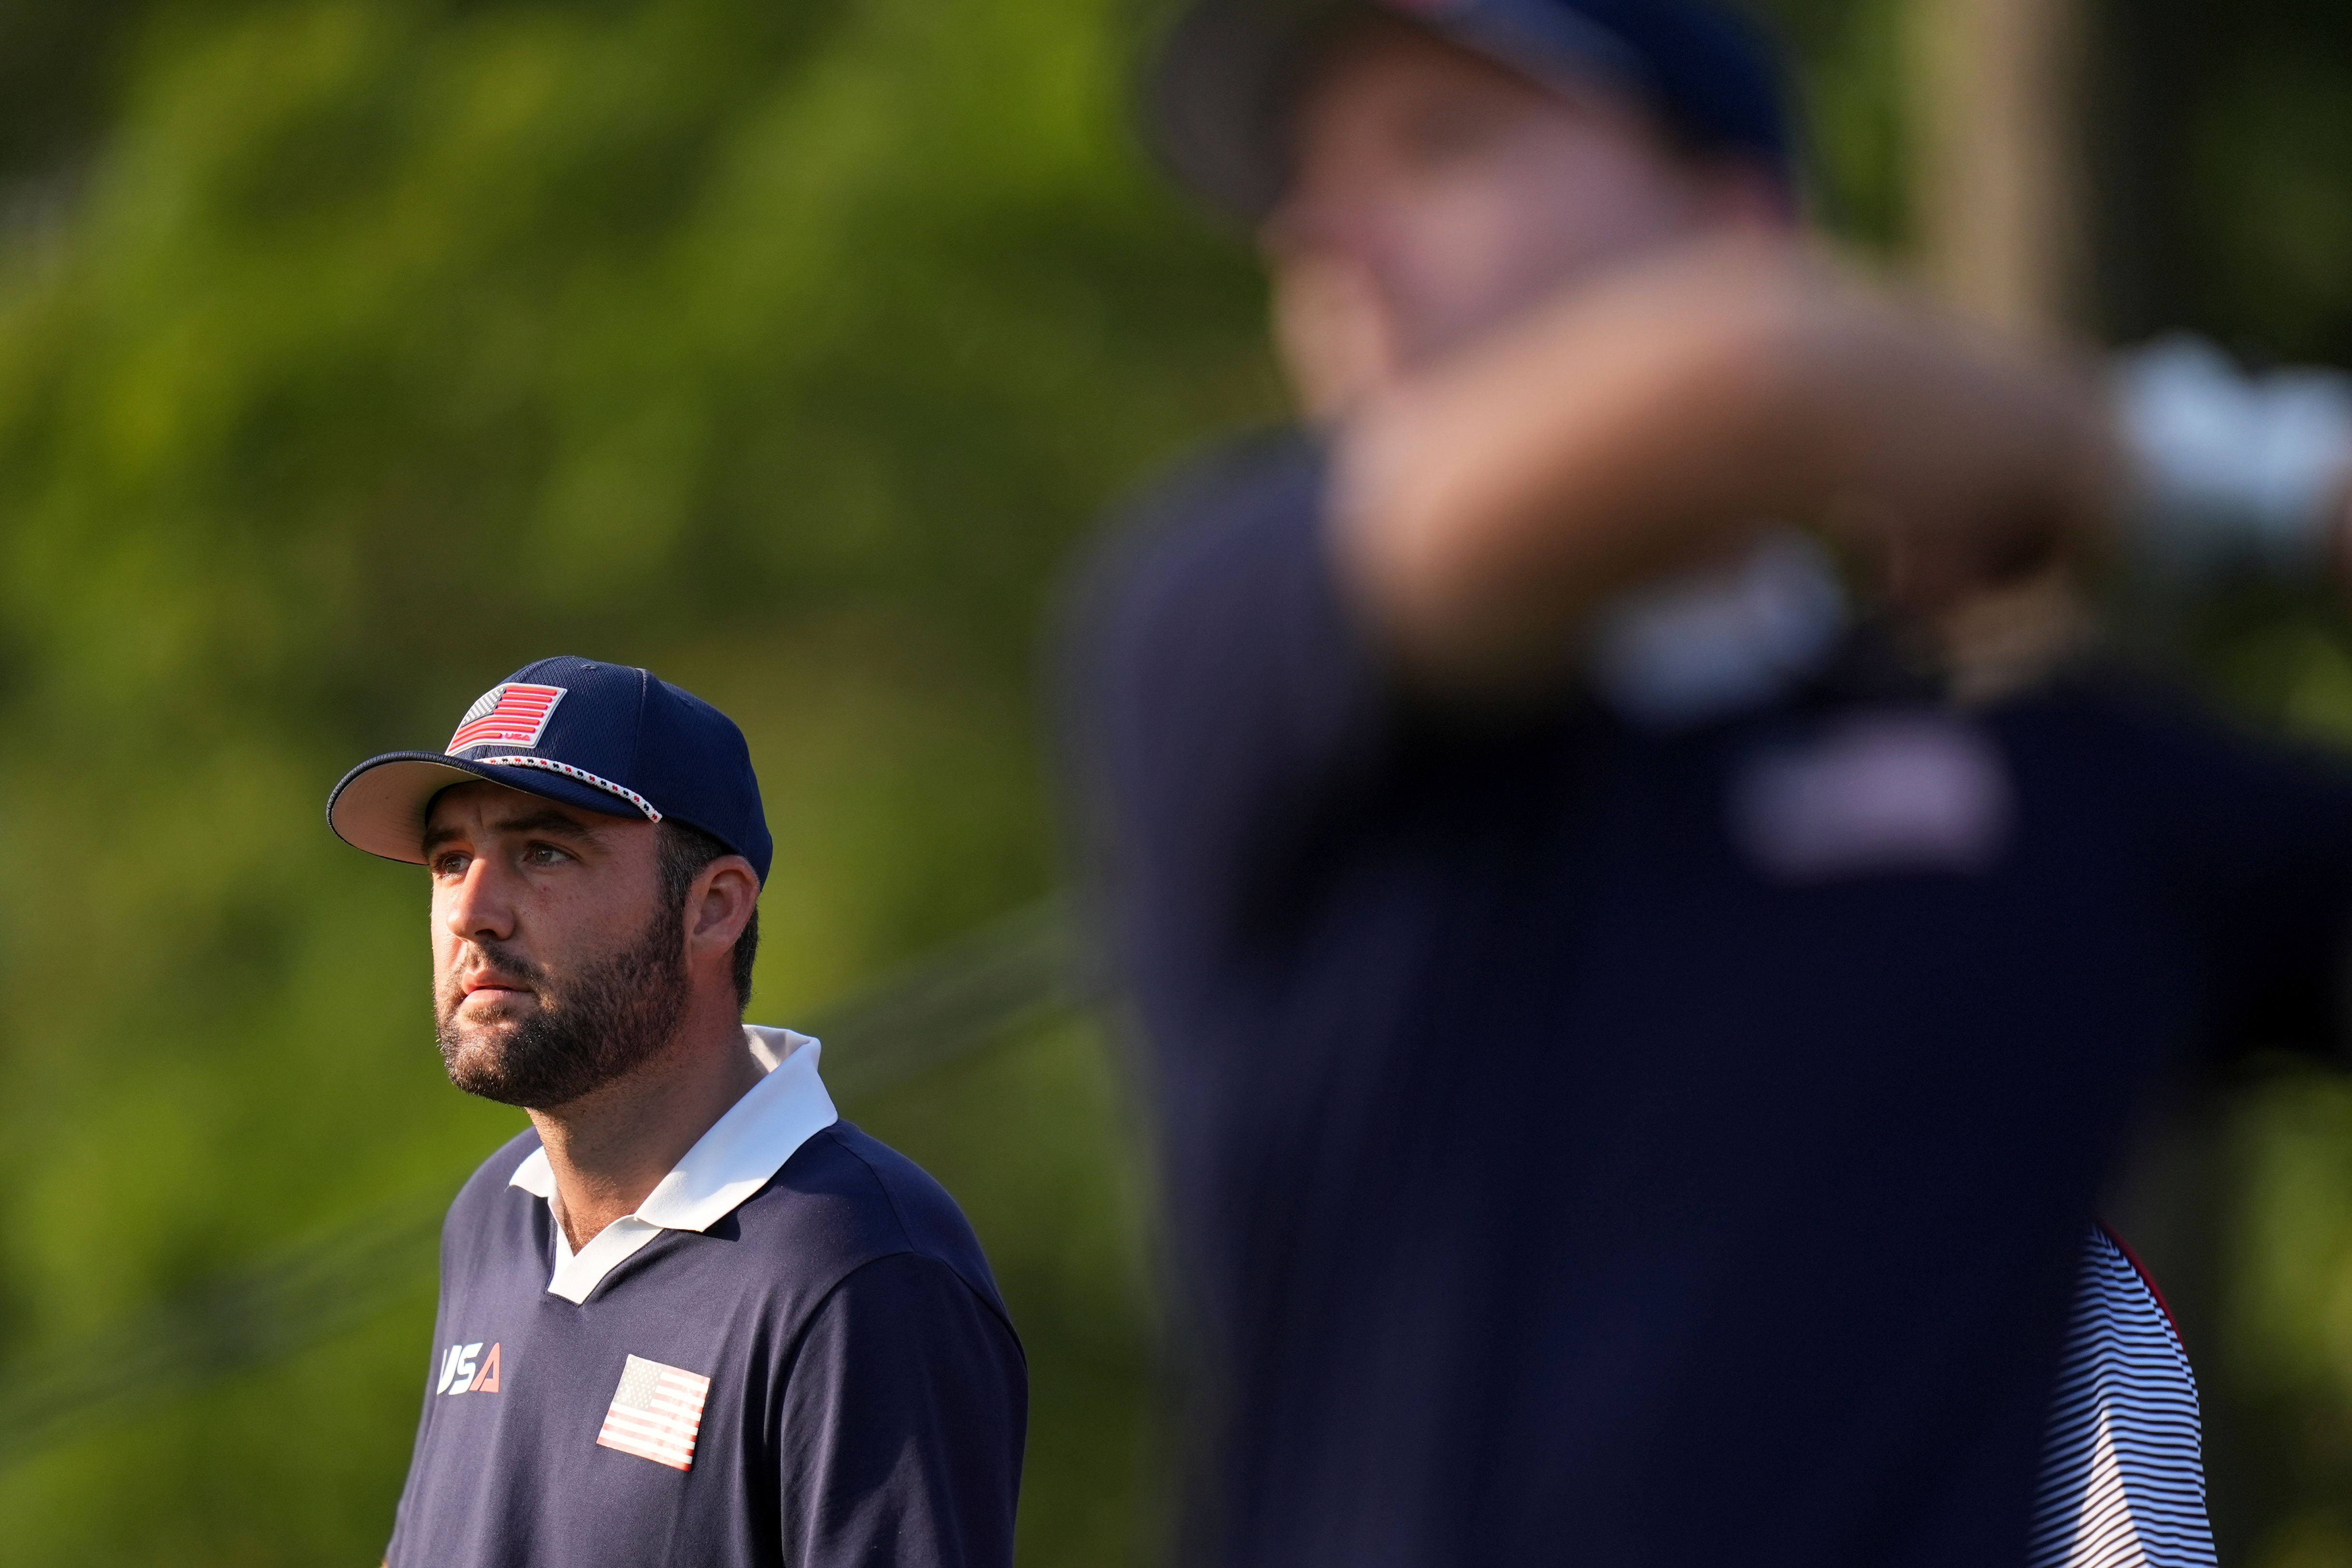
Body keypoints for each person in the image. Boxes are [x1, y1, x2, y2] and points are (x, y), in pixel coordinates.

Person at [1063, 2, 2352, 1564]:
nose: (1325, 236)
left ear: (1732, 217)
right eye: (1303, 186)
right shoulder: (1218, 636)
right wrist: (2237, 469)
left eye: (1442, 144)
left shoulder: (2065, 798)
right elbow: (1746, 378)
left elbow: (1746, 360)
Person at [327, 656, 1026, 1568]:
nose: (473, 911)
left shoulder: (865, 1269)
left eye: (544, 851)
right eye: (450, 859)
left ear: (714, 908)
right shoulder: (493, 1214)